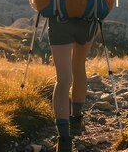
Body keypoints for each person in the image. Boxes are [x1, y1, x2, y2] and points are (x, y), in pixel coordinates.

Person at [49, 16, 98, 152]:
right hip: (87, 21)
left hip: (59, 21)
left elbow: (37, 1)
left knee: (63, 79)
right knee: (78, 66)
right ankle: (76, 121)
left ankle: (64, 141)